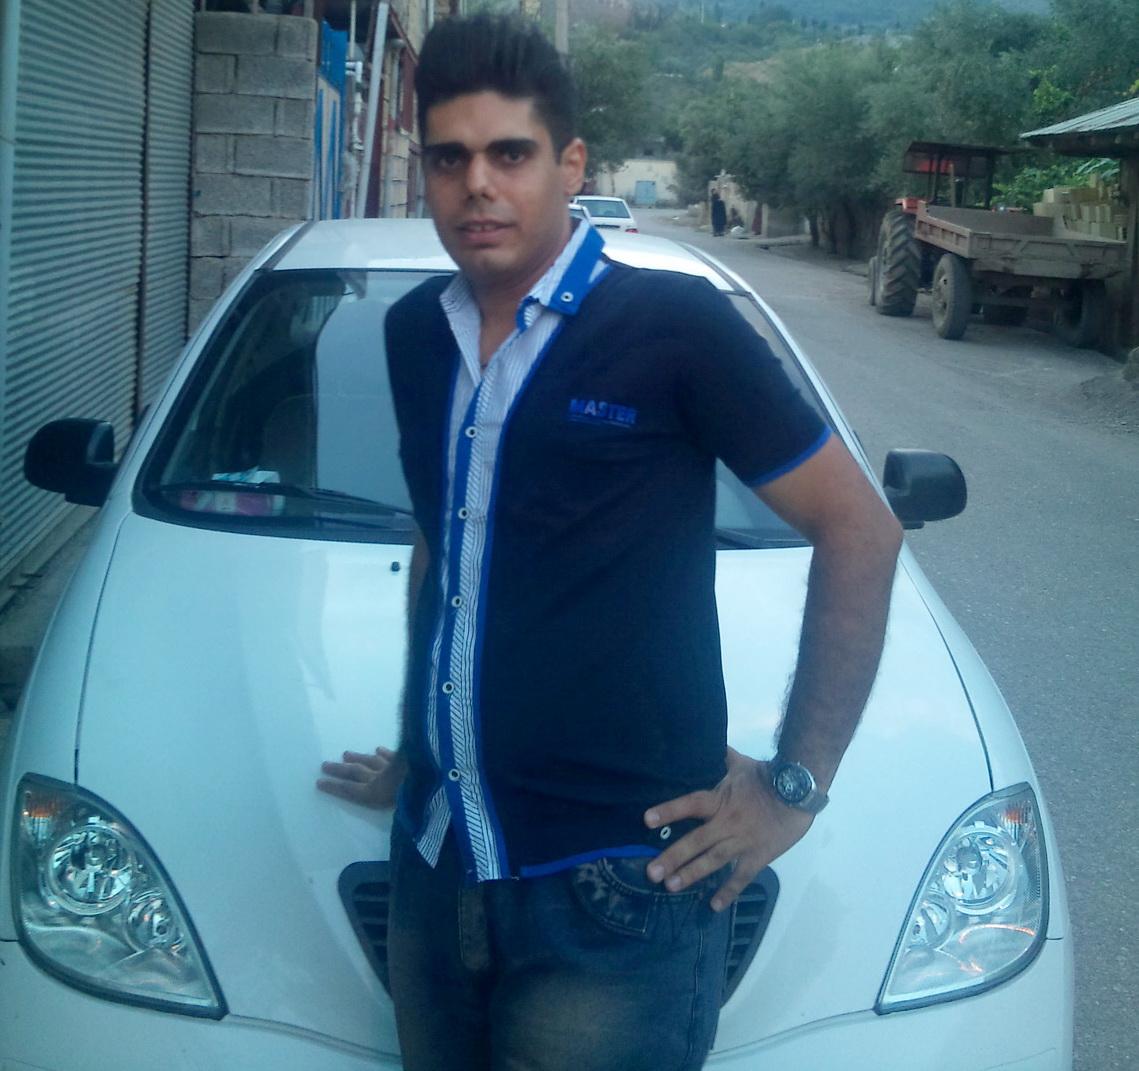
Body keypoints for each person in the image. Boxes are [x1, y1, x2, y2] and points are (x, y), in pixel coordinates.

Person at [318, 13, 902, 1071]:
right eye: (449, 158)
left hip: (615, 891)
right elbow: (443, 551)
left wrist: (792, 787)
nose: (476, 186)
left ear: (571, 164)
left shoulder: (673, 328)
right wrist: (420, 747)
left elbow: (859, 526)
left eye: (510, 154)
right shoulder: (414, 337)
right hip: (436, 862)